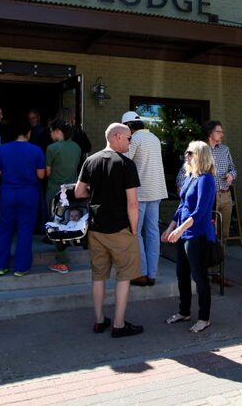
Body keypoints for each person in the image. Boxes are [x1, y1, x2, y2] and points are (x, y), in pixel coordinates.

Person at [75, 122, 143, 338]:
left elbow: (78, 192)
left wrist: (97, 194)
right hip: (120, 228)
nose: (130, 143)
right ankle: (119, 324)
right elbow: (133, 203)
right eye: (129, 138)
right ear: (117, 136)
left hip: (96, 228)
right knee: (124, 276)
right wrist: (134, 230)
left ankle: (99, 321)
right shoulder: (126, 164)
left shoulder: (90, 160)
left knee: (98, 276)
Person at [161, 140, 217, 333]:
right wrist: (170, 228)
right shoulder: (191, 176)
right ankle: (184, 311)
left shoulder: (206, 179)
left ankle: (204, 317)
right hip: (184, 233)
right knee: (181, 274)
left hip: (197, 235)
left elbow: (201, 211)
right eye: (186, 152)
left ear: (200, 155)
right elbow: (182, 206)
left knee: (199, 276)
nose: (186, 155)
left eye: (190, 153)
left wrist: (180, 230)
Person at [0, 118, 45, 277]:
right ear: (28, 133)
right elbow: (41, 175)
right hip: (28, 193)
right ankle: (21, 268)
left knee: (4, 228)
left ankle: (0, 266)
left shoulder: (2, 149)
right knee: (25, 229)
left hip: (8, 192)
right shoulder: (36, 150)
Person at [121, 111, 168, 287]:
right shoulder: (154, 138)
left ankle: (140, 273)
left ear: (129, 126)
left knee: (136, 232)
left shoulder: (135, 139)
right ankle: (152, 274)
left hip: (140, 192)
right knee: (153, 232)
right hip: (156, 191)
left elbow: (125, 160)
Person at [44, 120, 82, 273]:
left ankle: (62, 261)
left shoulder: (52, 148)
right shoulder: (77, 148)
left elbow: (47, 172)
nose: (50, 134)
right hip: (71, 190)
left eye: (51, 131)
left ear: (57, 131)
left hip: (55, 189)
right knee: (69, 222)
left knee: (56, 224)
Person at [203, 120, 237, 286]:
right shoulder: (200, 150)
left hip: (225, 195)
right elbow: (184, 172)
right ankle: (204, 270)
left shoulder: (225, 149)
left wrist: (231, 175)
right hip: (209, 197)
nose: (222, 134)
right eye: (219, 132)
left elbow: (234, 169)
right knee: (209, 235)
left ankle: (219, 272)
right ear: (211, 133)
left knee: (223, 236)